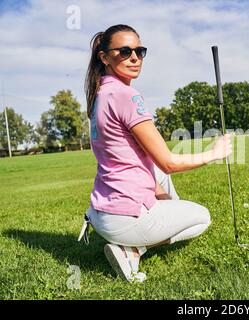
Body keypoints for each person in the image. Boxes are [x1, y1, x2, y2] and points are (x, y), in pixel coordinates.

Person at [80, 24, 232, 282]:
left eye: (139, 51)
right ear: (104, 57)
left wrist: (166, 200)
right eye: (124, 51)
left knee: (158, 172)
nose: (135, 58)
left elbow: (157, 165)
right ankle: (133, 249)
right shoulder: (126, 95)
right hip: (125, 217)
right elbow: (169, 161)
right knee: (202, 218)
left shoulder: (100, 94)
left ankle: (145, 229)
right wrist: (214, 153)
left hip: (103, 212)